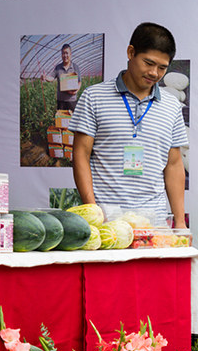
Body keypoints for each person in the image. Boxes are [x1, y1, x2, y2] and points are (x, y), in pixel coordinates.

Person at [69, 22, 188, 227]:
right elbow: (80, 154)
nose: (154, 73)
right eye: (148, 63)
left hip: (155, 222)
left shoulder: (172, 106)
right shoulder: (94, 96)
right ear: (131, 52)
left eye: (162, 68)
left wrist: (180, 222)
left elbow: (174, 164)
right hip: (106, 221)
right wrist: (93, 211)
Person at [43, 43, 82, 111]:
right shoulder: (58, 67)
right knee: (61, 120)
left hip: (72, 100)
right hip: (61, 101)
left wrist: (76, 91)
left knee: (72, 120)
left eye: (67, 53)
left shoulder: (75, 67)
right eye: (63, 53)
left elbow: (79, 81)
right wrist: (46, 77)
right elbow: (52, 77)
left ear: (70, 54)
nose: (65, 55)